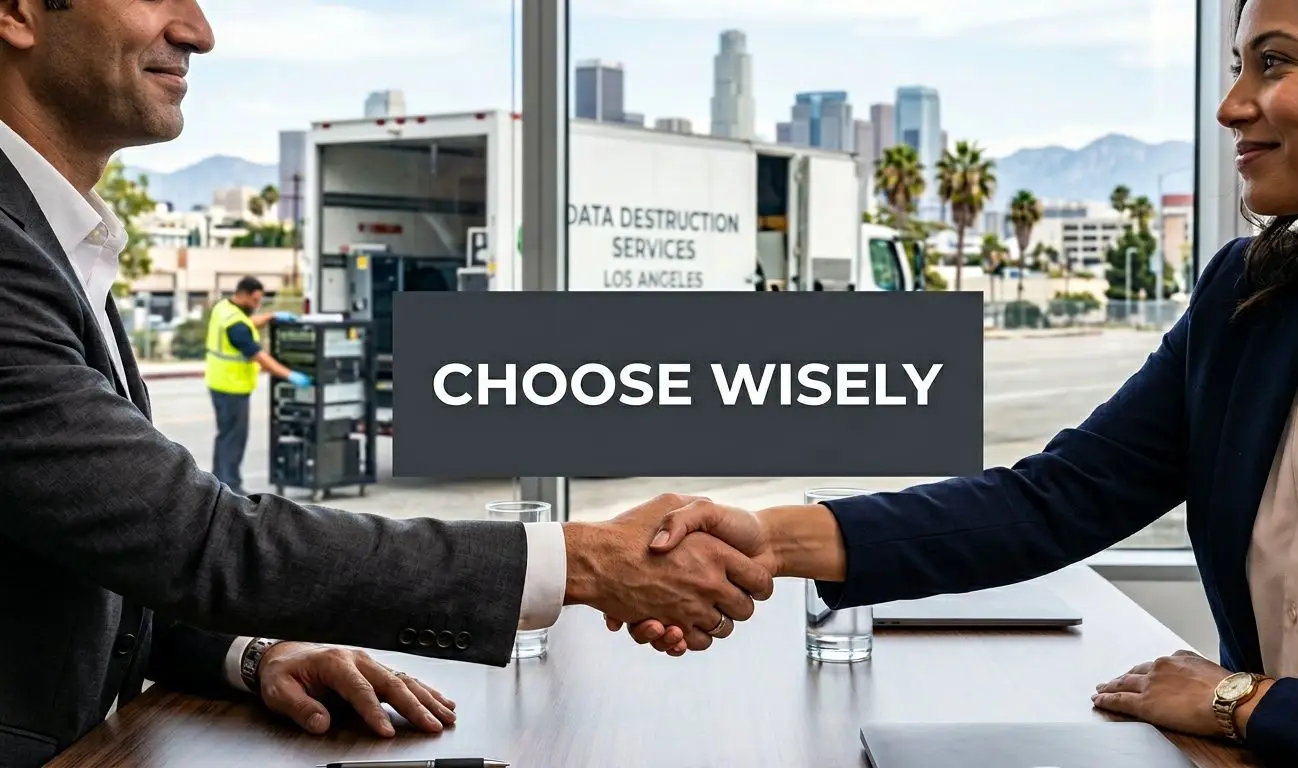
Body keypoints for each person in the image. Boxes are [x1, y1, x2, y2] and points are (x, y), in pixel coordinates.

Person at [0, 3, 769, 766]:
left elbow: (112, 556)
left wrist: (254, 654)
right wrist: (589, 561)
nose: (198, 30)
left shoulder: (60, 240)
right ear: (18, 12)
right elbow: (195, 540)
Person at [615, 0, 1298, 764]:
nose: (1231, 104)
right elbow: (1054, 499)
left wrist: (1239, 700)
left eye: (1274, 62)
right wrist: (768, 540)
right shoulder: (1247, 301)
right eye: (1238, 64)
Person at [204, 275, 312, 495]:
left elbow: (247, 323)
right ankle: (230, 486)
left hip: (221, 383)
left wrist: (271, 316)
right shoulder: (236, 325)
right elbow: (258, 356)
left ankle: (219, 481)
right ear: (243, 295)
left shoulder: (224, 308)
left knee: (226, 435)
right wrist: (290, 375)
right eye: (255, 300)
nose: (257, 304)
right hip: (231, 386)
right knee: (234, 438)